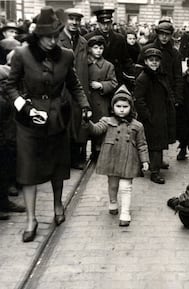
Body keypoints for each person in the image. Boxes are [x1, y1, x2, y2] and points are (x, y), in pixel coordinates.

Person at [5, 7, 91, 242]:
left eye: (56, 36)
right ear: (37, 36)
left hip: (57, 118)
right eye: (47, 37)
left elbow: (73, 84)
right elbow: (10, 86)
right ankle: (31, 219)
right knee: (28, 171)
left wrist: (85, 105)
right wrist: (25, 107)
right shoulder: (23, 55)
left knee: (57, 166)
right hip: (28, 123)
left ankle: (57, 205)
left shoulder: (66, 55)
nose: (53, 41)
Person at [88, 85, 149, 226]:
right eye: (118, 106)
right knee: (113, 184)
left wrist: (145, 161)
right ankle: (113, 202)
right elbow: (96, 130)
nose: (121, 109)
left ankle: (125, 212)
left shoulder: (137, 125)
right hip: (112, 158)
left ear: (130, 108)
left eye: (125, 106)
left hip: (129, 158)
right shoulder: (107, 121)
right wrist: (87, 122)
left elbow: (142, 144)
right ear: (113, 107)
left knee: (125, 186)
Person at [134, 48, 176, 184]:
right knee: (153, 144)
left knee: (159, 142)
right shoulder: (143, 78)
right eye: (151, 60)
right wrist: (147, 116)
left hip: (161, 113)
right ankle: (154, 171)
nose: (154, 63)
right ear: (146, 61)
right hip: (151, 116)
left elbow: (167, 92)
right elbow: (139, 100)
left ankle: (157, 163)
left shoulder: (161, 75)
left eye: (156, 61)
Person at [58, 8, 90, 170]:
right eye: (71, 18)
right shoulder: (57, 40)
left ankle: (77, 158)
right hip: (62, 89)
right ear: (65, 19)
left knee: (78, 123)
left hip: (79, 88)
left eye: (77, 19)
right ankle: (63, 160)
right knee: (63, 123)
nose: (74, 22)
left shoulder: (84, 42)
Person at [0, 64, 25, 220]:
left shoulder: (7, 97)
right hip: (3, 140)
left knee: (4, 174)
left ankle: (4, 202)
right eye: (3, 82)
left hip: (8, 140)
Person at [87, 35, 118, 159]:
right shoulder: (84, 63)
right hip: (88, 99)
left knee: (100, 125)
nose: (98, 50)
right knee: (86, 124)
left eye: (101, 48)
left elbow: (113, 82)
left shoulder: (108, 65)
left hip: (101, 100)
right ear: (90, 49)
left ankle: (98, 150)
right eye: (95, 47)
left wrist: (101, 85)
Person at [84, 9, 135, 86]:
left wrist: (133, 74)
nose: (105, 26)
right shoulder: (88, 38)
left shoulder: (119, 38)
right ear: (97, 23)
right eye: (102, 23)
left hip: (116, 78)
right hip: (95, 79)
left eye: (108, 23)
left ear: (111, 23)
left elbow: (125, 59)